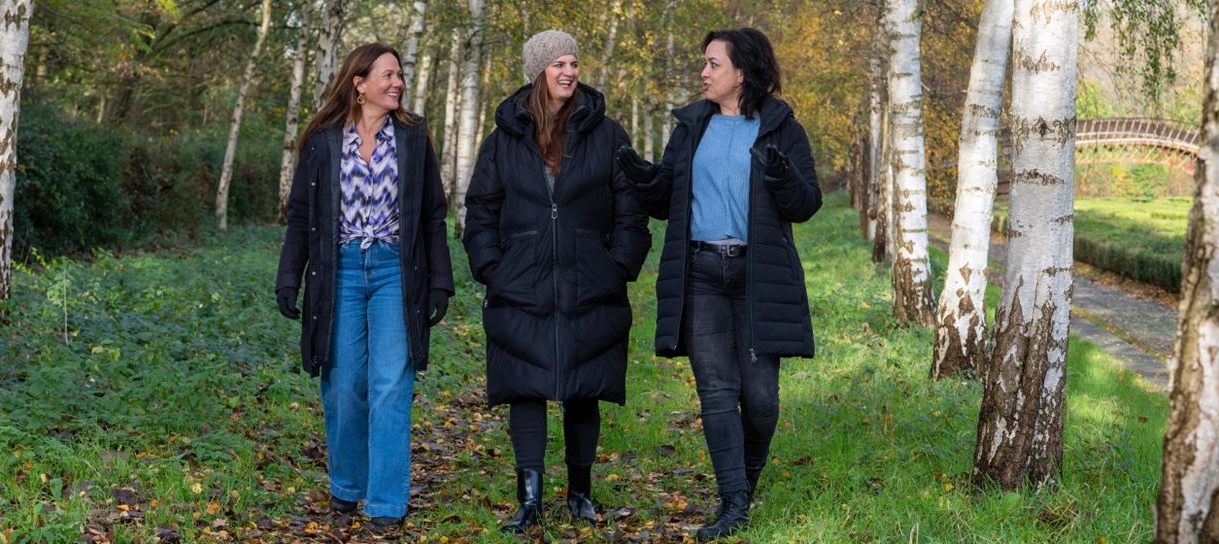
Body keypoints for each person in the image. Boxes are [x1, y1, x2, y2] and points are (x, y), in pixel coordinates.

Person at [616, 27, 822, 540]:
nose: (703, 73)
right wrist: (643, 179)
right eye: (704, 64)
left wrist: (781, 176)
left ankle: (746, 484)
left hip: (758, 275)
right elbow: (667, 200)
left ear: (742, 73)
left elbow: (806, 203)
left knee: (761, 398)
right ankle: (732, 502)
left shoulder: (781, 127)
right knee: (715, 392)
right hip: (701, 273)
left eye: (713, 64)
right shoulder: (691, 126)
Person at [463, 30, 651, 533]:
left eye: (573, 62)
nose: (569, 72)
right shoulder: (504, 138)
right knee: (525, 386)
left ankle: (581, 493)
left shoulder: (607, 134)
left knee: (582, 385)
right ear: (537, 72)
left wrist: (618, 265)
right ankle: (528, 499)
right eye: (558, 64)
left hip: (590, 280)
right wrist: (491, 267)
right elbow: (480, 208)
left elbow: (631, 209)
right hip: (520, 283)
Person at [275, 42, 453, 530]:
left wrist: (440, 282)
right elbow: (302, 217)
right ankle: (347, 489)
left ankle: (387, 504)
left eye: (400, 75)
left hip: (398, 269)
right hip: (341, 271)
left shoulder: (414, 139)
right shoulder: (324, 141)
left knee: (393, 384)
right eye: (389, 75)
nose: (398, 83)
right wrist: (289, 276)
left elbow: (433, 214)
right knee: (345, 385)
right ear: (360, 83)